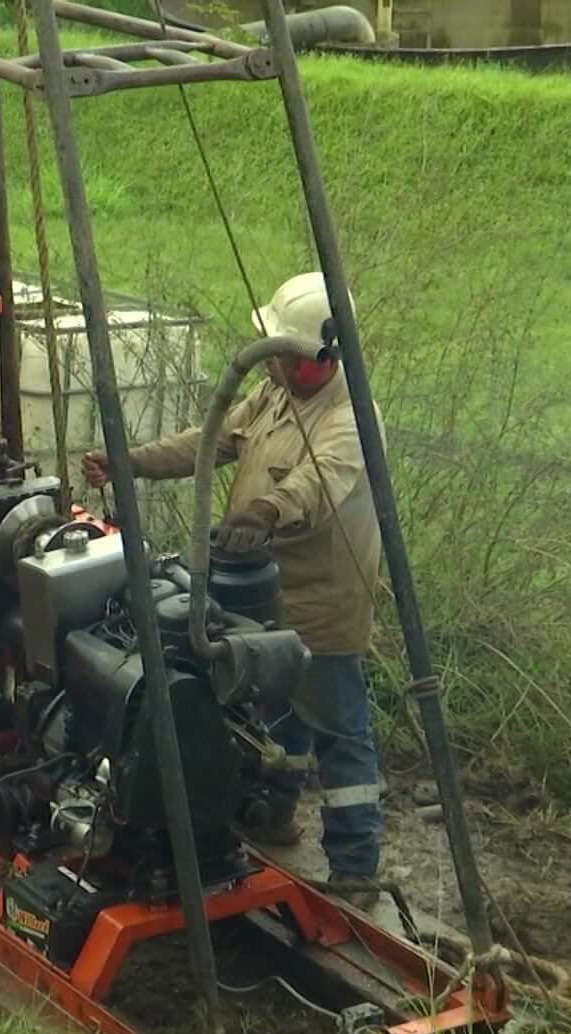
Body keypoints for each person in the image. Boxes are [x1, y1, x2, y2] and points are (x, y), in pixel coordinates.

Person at [80, 271, 385, 887]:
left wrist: (265, 510)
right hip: (265, 597)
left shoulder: (352, 416)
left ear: (319, 357)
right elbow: (211, 439)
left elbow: (320, 480)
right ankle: (271, 815)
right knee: (273, 716)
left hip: (323, 606)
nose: (271, 361)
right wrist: (130, 463)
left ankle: (355, 868)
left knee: (338, 731)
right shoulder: (276, 394)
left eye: (283, 352)